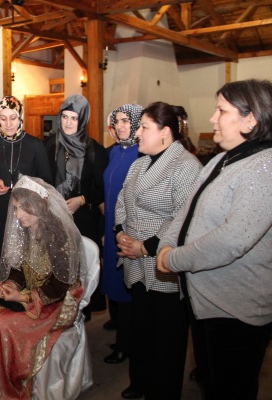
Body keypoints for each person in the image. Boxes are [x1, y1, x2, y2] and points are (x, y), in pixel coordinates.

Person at [157, 79, 272, 400]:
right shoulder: (220, 159)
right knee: (211, 382)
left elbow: (232, 240)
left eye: (221, 111)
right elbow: (186, 211)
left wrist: (173, 259)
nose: (212, 119)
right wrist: (166, 243)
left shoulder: (268, 166)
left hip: (237, 307)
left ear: (251, 119)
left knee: (231, 389)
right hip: (206, 300)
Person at [0, 175, 85, 399]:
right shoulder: (25, 229)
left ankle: (8, 386)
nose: (18, 215)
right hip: (31, 294)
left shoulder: (59, 236)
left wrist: (23, 298)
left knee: (4, 325)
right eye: (16, 208)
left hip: (57, 301)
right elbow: (19, 268)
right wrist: (10, 286)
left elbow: (61, 285)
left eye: (24, 209)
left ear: (39, 207)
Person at [114, 101, 201, 400]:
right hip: (134, 258)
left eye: (144, 127)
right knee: (141, 328)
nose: (137, 133)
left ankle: (163, 391)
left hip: (162, 261)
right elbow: (122, 201)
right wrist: (120, 233)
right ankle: (140, 380)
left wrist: (146, 246)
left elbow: (183, 217)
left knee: (167, 336)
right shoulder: (139, 163)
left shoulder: (186, 166)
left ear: (165, 132)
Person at [0, 95, 52, 289]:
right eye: (3, 118)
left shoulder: (35, 145)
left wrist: (28, 188)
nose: (8, 123)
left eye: (13, 118)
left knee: (24, 272)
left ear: (21, 117)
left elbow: (47, 181)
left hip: (27, 216)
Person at [45, 94, 108, 318]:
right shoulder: (50, 146)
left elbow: (102, 188)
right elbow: (42, 179)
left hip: (83, 220)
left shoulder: (95, 150)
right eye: (65, 117)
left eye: (74, 118)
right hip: (54, 218)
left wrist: (82, 199)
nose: (69, 123)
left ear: (83, 120)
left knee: (80, 269)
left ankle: (80, 317)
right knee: (56, 269)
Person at [101, 104, 143, 365]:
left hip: (128, 229)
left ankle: (127, 345)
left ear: (137, 123)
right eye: (117, 121)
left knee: (127, 287)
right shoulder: (116, 151)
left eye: (126, 120)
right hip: (111, 226)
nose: (120, 125)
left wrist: (124, 231)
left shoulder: (141, 154)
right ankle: (122, 335)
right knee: (115, 283)